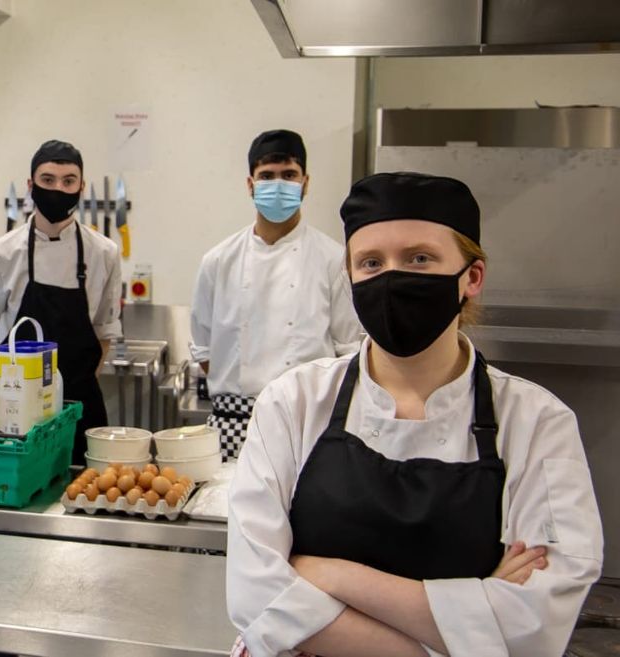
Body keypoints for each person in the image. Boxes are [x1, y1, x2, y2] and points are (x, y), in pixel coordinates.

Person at [225, 172, 604, 656]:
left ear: (472, 277)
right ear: (350, 278)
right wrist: (466, 626)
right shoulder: (293, 402)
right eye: (371, 262)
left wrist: (332, 574)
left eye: (419, 258)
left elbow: (537, 622)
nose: (392, 278)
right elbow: (255, 595)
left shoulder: (537, 422)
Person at [189, 129, 361, 460]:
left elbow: (347, 352)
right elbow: (204, 351)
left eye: (289, 175)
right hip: (233, 424)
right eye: (267, 176)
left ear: (305, 183)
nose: (278, 184)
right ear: (250, 184)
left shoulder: (334, 260)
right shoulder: (218, 261)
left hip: (308, 423)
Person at [0, 140, 122, 461]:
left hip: (80, 407)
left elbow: (105, 332)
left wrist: (69, 394)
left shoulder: (104, 253)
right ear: (31, 185)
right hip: (17, 412)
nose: (58, 189)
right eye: (48, 180)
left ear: (81, 187)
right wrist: (14, 397)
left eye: (68, 181)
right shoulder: (1, 254)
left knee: (85, 485)